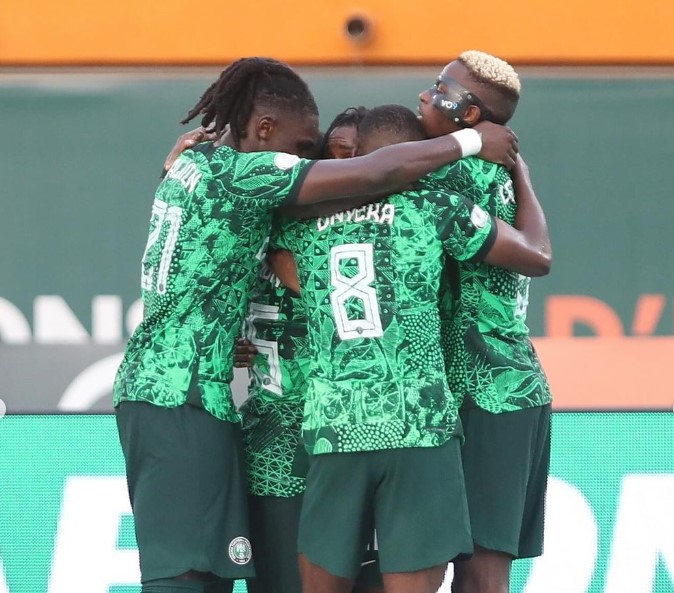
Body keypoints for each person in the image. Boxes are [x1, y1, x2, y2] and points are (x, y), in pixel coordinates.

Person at [114, 56, 517, 593]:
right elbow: (372, 176)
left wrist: (221, 334)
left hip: (183, 391)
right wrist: (468, 142)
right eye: (304, 147)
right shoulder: (243, 176)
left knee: (207, 572)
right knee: (184, 574)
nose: (307, 160)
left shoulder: (194, 166)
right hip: (181, 397)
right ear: (264, 128)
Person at [272, 104, 549, 593]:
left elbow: (280, 264)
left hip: (334, 427)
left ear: (363, 157)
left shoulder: (295, 223)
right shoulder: (438, 206)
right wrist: (519, 171)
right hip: (420, 425)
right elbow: (535, 255)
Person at [416, 50, 552, 593]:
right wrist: (522, 171)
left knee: (479, 572)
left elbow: (538, 257)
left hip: (487, 393)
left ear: (470, 114)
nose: (426, 95)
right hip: (502, 389)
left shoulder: (453, 173)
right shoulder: (495, 169)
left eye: (440, 88)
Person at [240, 106, 381, 593]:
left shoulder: (390, 233)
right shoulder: (278, 223)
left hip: (363, 441)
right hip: (280, 444)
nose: (348, 166)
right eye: (335, 154)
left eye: (361, 156)